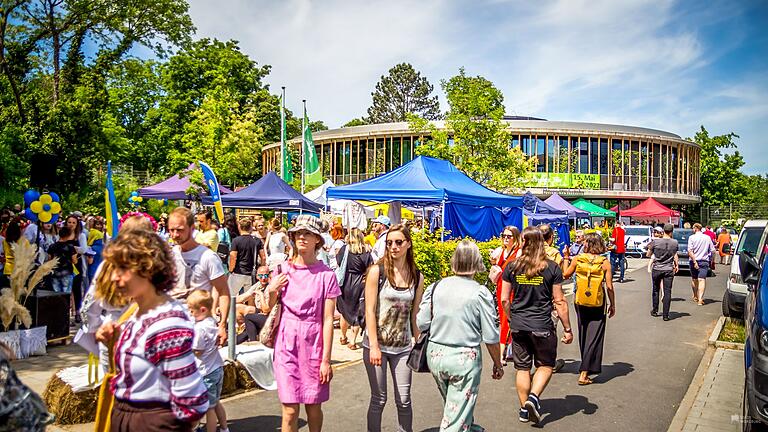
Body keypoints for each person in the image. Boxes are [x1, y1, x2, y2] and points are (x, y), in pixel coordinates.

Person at [94, 229, 208, 431]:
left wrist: (161, 425)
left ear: (147, 269)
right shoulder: (137, 314)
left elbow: (193, 400)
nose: (113, 277)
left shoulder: (168, 325)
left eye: (122, 268)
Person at [417, 240, 503, 431]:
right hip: (464, 357)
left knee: (453, 406)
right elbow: (491, 336)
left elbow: (422, 322)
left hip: (436, 353)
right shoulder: (480, 292)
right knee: (456, 415)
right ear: (477, 263)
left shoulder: (436, 287)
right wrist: (497, 363)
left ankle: (469, 427)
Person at [264, 214, 340, 432]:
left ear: (318, 239)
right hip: (287, 342)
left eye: (308, 233)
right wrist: (271, 290)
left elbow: (327, 319)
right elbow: (268, 308)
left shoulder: (326, 275)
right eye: (299, 233)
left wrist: (326, 360)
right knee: (289, 411)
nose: (302, 237)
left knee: (313, 408)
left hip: (313, 342)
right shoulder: (282, 270)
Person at [500, 227, 573, 424]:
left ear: (523, 242)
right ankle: (533, 397)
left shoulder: (512, 266)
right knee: (546, 365)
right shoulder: (552, 268)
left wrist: (511, 317)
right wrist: (567, 328)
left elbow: (505, 299)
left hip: (519, 325)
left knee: (522, 368)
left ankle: (525, 409)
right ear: (542, 243)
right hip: (542, 325)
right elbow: (559, 301)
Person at [363, 224, 424, 432]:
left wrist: (419, 338)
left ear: (408, 244)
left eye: (399, 242)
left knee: (404, 400)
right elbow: (369, 311)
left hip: (403, 347)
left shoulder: (417, 276)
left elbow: (414, 313)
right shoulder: (376, 272)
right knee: (379, 399)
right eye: (389, 243)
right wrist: (373, 346)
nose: (394, 247)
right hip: (376, 345)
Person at [168, 207, 230, 345]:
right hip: (174, 324)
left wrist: (222, 325)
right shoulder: (170, 255)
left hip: (199, 327)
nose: (175, 234)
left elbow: (223, 291)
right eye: (171, 230)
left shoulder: (208, 257)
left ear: (191, 228)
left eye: (179, 230)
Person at [563, 233, 616, 386]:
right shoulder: (604, 262)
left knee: (584, 333)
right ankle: (585, 372)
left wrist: (566, 257)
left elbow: (565, 275)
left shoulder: (578, 259)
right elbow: (610, 286)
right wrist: (612, 304)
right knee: (595, 335)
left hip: (580, 301)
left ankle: (586, 365)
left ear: (586, 244)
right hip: (597, 302)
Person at [187, 290, 229, 432]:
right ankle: (224, 428)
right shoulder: (211, 321)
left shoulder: (199, 329)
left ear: (202, 309)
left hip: (205, 373)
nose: (190, 314)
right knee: (216, 402)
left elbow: (198, 351)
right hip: (216, 368)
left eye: (192, 311)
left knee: (208, 409)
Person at [336, 228, 373, 350]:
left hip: (345, 281)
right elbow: (370, 267)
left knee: (344, 310)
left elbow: (338, 262)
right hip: (360, 282)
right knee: (357, 311)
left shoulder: (344, 250)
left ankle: (342, 336)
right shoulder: (366, 251)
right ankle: (353, 341)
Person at [492, 226, 521, 349]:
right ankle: (506, 347)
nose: (506, 238)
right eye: (504, 236)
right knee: (503, 315)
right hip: (500, 286)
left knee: (509, 316)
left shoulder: (519, 252)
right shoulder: (500, 251)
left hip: (513, 288)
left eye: (509, 236)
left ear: (515, 238)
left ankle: (506, 347)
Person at [646, 223, 679, 320]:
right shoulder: (675, 242)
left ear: (663, 231)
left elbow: (648, 254)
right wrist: (676, 265)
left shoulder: (655, 242)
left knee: (656, 290)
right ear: (672, 232)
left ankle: (655, 310)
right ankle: (666, 315)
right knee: (667, 291)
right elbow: (675, 255)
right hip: (669, 269)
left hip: (657, 268)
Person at [228, 219, 265, 295]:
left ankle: (232, 307)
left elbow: (233, 257)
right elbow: (263, 257)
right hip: (252, 274)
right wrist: (261, 268)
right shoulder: (257, 241)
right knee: (250, 298)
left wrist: (231, 269)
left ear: (239, 227)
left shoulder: (236, 240)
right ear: (251, 227)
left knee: (230, 296)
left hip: (238, 272)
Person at [235, 265, 271, 344]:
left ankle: (253, 342)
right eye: (261, 276)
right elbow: (242, 298)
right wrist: (224, 304)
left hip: (268, 316)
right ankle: (242, 329)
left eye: (265, 275)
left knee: (249, 315)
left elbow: (266, 310)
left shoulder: (270, 288)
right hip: (259, 314)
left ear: (269, 276)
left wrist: (261, 295)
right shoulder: (257, 285)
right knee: (237, 307)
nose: (263, 278)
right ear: (257, 276)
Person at [65, 214, 89, 323]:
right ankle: (65, 313)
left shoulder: (81, 235)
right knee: (65, 290)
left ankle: (78, 312)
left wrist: (71, 248)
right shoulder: (63, 234)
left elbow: (83, 249)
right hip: (64, 264)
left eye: (73, 223)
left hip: (76, 264)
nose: (71, 225)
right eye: (69, 222)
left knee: (76, 289)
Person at [687, 223, 716, 305]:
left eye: (693, 228)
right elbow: (713, 251)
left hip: (693, 261)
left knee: (694, 279)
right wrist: (713, 261)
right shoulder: (707, 238)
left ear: (696, 228)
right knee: (702, 280)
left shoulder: (691, 237)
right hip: (704, 261)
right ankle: (700, 299)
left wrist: (694, 261)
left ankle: (695, 295)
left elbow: (690, 251)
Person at [1, 218, 27, 287]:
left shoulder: (5, 241)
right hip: (19, 269)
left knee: (8, 291)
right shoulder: (24, 241)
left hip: (8, 269)